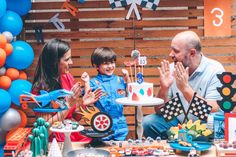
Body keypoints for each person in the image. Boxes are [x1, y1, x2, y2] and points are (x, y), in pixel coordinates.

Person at [142, 31, 225, 139]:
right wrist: (164, 88)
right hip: (179, 122)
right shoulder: (172, 68)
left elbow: (212, 110)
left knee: (214, 123)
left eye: (176, 51)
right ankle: (175, 146)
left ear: (192, 53)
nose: (170, 54)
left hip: (205, 124)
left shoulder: (215, 70)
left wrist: (185, 89)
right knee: (149, 122)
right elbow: (160, 111)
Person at [32, 38, 102, 142]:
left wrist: (83, 104)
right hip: (55, 142)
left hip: (71, 134)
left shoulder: (67, 77)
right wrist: (67, 105)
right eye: (67, 59)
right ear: (54, 62)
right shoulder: (40, 90)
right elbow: (45, 131)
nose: (71, 62)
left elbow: (73, 115)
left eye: (70, 58)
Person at [86, 47, 131, 141]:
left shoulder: (120, 80)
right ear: (96, 66)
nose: (110, 66)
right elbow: (88, 100)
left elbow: (129, 97)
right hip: (103, 123)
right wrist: (86, 82)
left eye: (112, 62)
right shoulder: (94, 82)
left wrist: (128, 79)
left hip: (120, 124)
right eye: (106, 63)